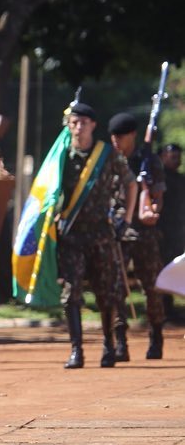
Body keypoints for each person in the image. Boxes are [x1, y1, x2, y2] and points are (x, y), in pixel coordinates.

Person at [57, 103, 136, 369]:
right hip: (72, 237)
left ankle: (108, 344)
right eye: (74, 123)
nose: (78, 128)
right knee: (71, 294)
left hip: (101, 235)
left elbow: (130, 182)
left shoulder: (106, 154)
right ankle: (76, 350)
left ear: (93, 125)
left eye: (83, 123)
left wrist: (126, 219)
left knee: (106, 294)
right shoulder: (61, 156)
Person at [108, 112, 166, 359]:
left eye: (120, 136)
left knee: (151, 286)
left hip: (144, 233)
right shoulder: (109, 161)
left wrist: (152, 211)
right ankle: (120, 340)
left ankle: (156, 334)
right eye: (113, 136)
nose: (116, 141)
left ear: (132, 135)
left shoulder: (149, 161)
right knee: (116, 288)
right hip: (118, 232)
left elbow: (158, 197)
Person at [158, 144, 185, 321]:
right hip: (162, 233)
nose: (177, 160)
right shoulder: (158, 180)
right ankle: (165, 310)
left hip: (180, 232)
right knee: (163, 269)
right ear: (162, 157)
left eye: (178, 156)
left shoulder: (181, 180)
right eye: (172, 156)